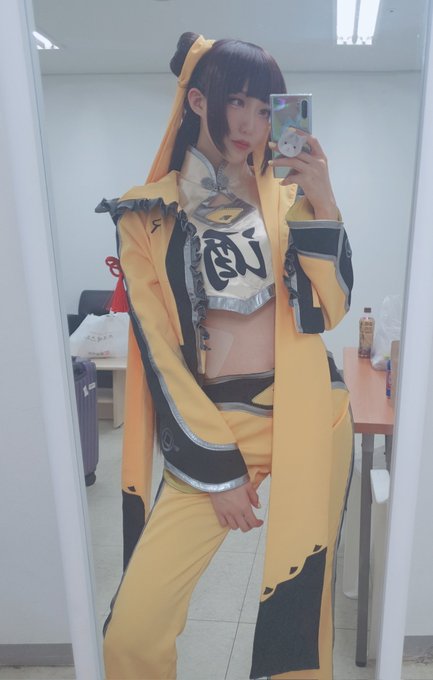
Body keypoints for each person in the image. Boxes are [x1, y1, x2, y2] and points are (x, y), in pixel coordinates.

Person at [97, 32, 354, 680]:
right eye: (236, 101)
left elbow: (327, 311)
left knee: (301, 616)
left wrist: (323, 200)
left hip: (309, 412)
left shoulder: (286, 194)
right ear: (196, 101)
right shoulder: (145, 214)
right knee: (132, 634)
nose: (250, 123)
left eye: (265, 109)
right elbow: (159, 353)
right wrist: (217, 471)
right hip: (214, 425)